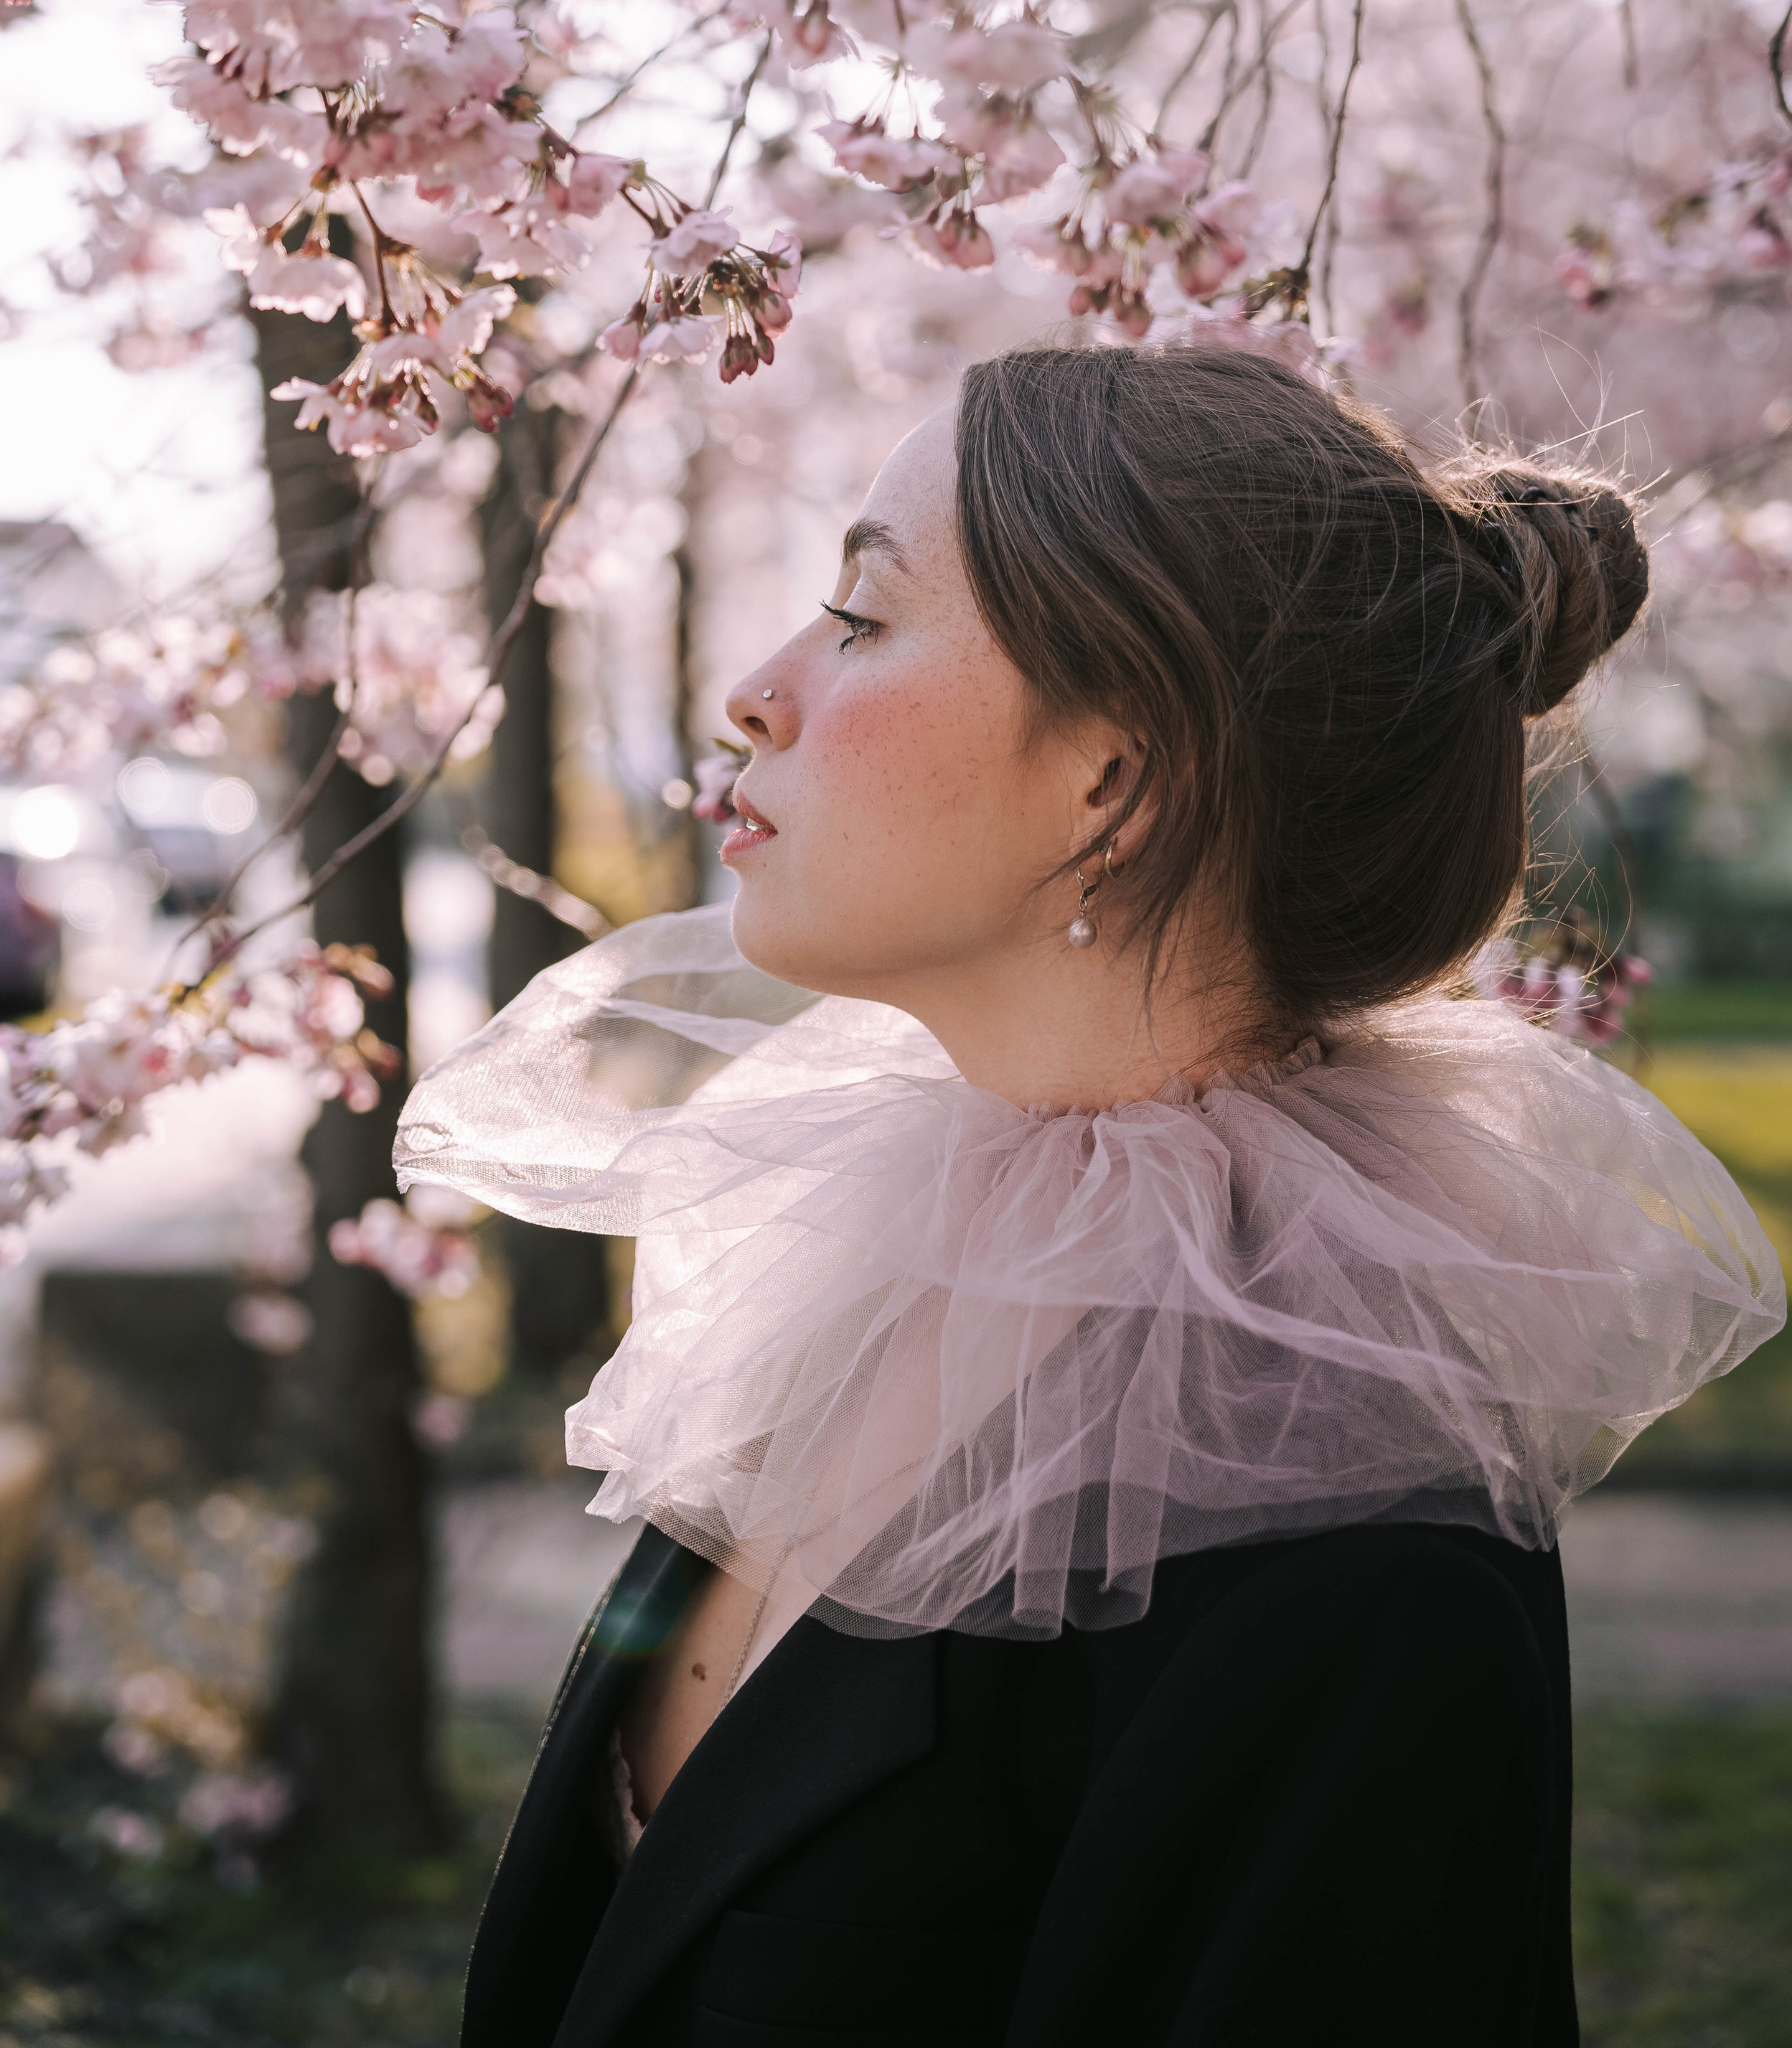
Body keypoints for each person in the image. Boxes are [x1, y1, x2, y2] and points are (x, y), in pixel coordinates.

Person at [398, 342, 1784, 2048]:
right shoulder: (836, 1266)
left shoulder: (1350, 1564)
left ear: (1114, 780)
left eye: (857, 616)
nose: (755, 693)